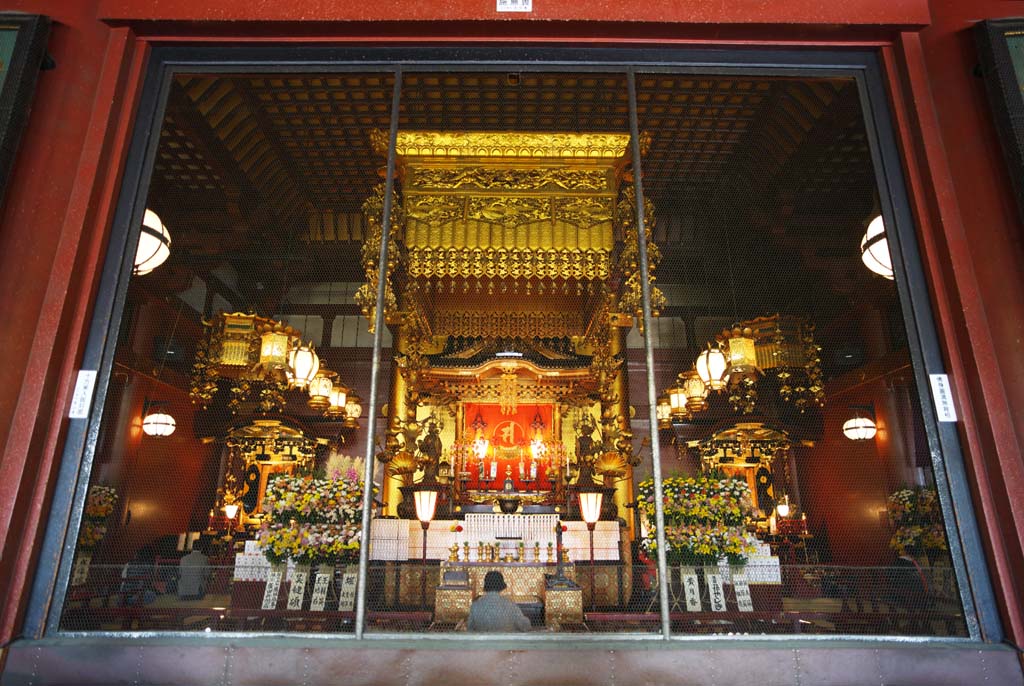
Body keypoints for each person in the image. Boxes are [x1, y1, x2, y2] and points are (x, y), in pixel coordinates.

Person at [466, 571, 531, 633]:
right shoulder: (510, 605)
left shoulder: (475, 606)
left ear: (486, 585)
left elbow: (470, 629)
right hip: (506, 643)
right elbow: (525, 626)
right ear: (501, 586)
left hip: (483, 643)